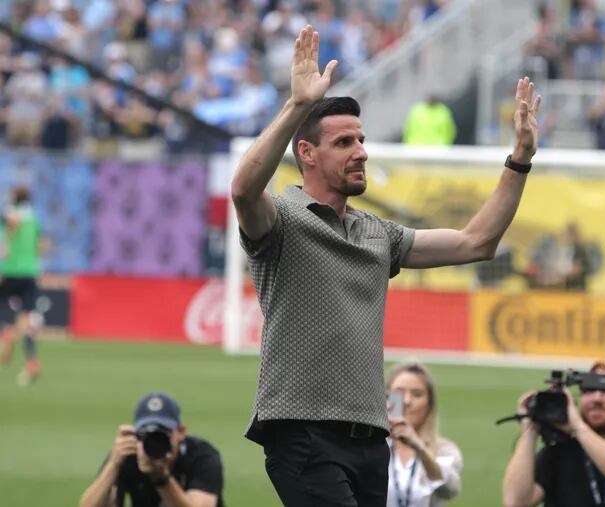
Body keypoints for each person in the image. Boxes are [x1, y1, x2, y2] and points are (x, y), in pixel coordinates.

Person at [230, 25, 540, 506]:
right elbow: (243, 190)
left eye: (361, 139)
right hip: (301, 432)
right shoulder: (282, 221)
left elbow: (476, 242)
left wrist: (519, 161)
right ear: (307, 154)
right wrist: (297, 106)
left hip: (372, 440)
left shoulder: (379, 233)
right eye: (344, 143)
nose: (361, 151)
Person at [502, 361, 605, 507]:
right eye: (589, 390)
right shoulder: (558, 453)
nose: (597, 398)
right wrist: (530, 429)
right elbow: (515, 502)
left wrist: (577, 427)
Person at [79, 392, 224, 507]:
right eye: (146, 434)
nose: (154, 442)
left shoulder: (200, 455)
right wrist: (113, 464)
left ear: (181, 432)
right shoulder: (127, 455)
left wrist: (161, 478)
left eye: (163, 434)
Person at [386, 362, 462, 507]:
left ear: (429, 403)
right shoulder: (373, 447)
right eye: (399, 393)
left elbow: (450, 490)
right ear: (387, 397)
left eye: (417, 394)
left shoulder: (444, 450)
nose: (407, 401)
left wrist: (420, 448)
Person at [0, 186, 48, 386]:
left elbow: (10, 227)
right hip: (30, 273)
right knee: (26, 319)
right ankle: (31, 363)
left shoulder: (10, 212)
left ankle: (7, 335)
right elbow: (43, 246)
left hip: (11, 271)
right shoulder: (35, 218)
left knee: (7, 311)